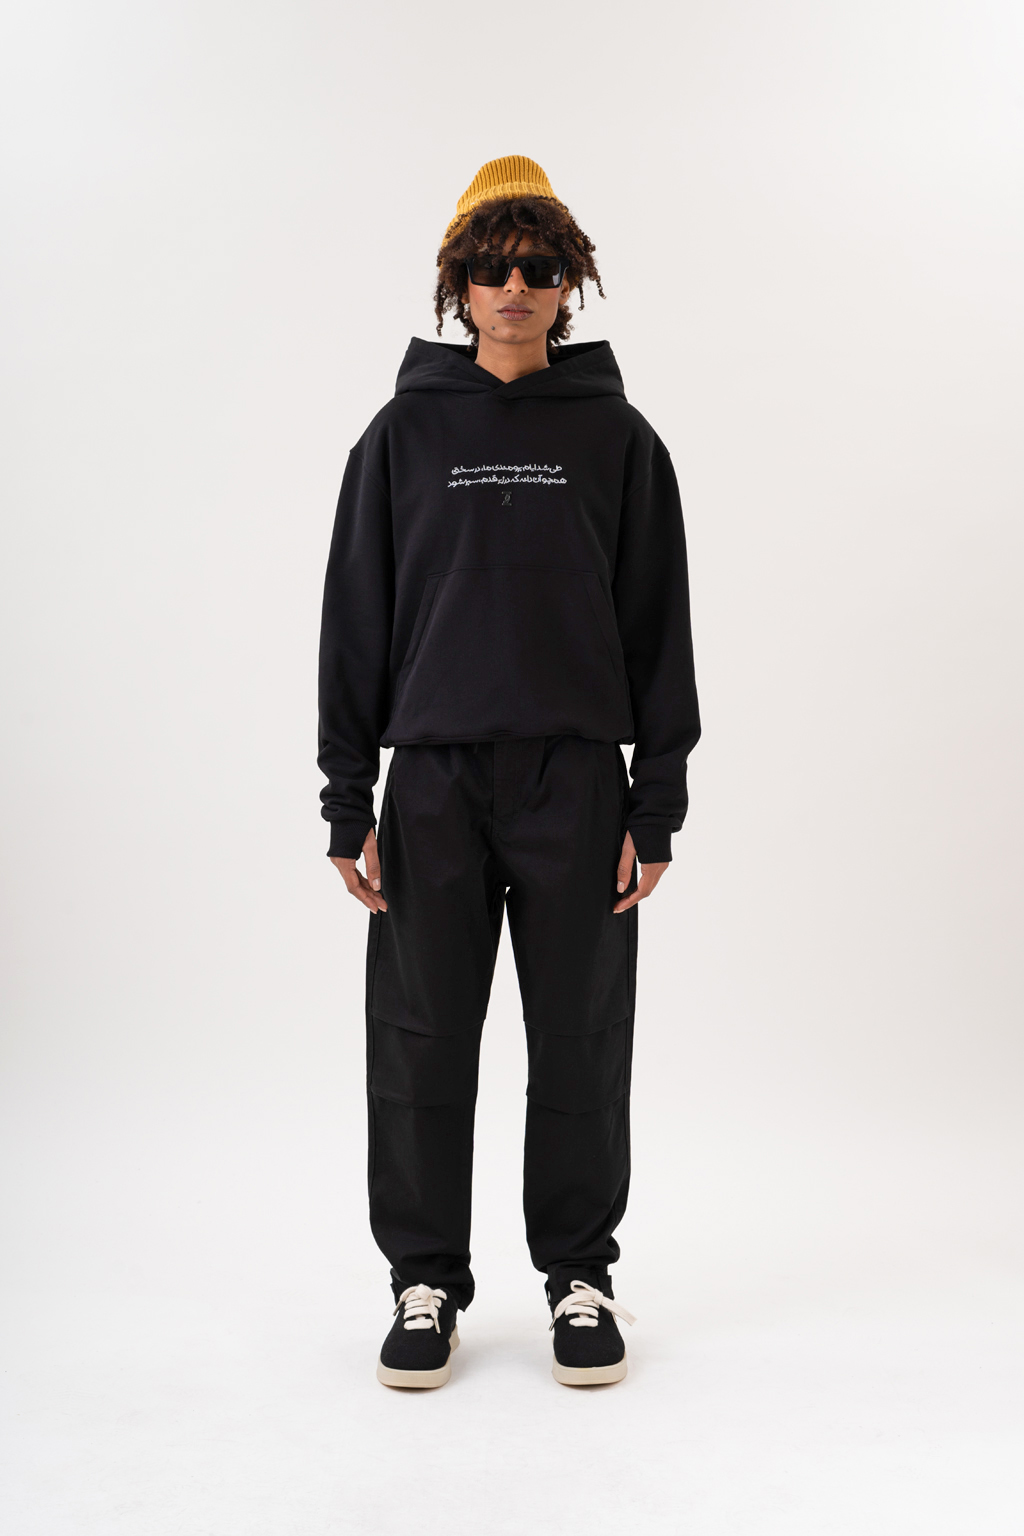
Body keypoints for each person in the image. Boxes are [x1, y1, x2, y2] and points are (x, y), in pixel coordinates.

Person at [317, 156, 700, 1389]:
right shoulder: (401, 436)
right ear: (460, 285)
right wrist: (347, 797)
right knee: (421, 1037)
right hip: (432, 782)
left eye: (538, 266)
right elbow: (355, 620)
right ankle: (423, 1281)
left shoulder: (618, 440)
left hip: (575, 782)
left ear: (568, 282)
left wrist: (655, 803)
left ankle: (579, 1275)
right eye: (492, 267)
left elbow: (657, 627)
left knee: (580, 1037)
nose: (515, 287)